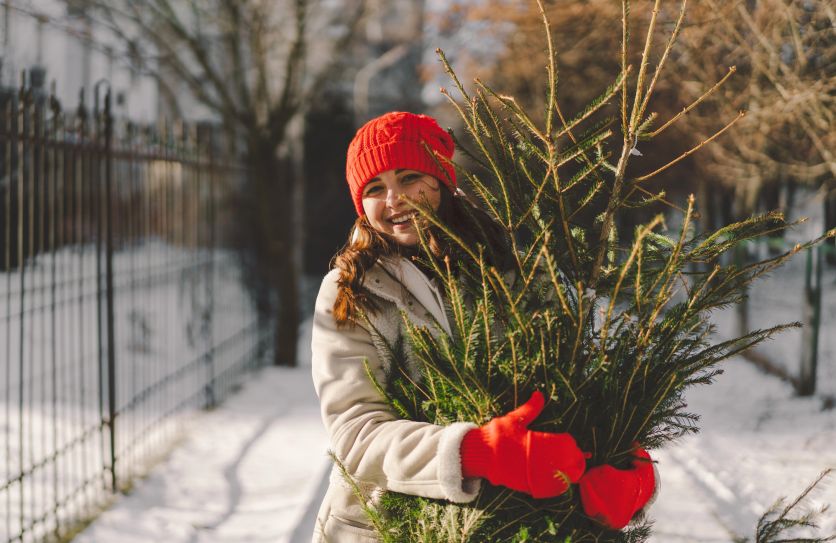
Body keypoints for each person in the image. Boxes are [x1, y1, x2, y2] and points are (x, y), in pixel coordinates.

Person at [310, 111, 655, 542]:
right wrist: (477, 452)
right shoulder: (352, 291)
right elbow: (356, 434)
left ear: (441, 179)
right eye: (375, 188)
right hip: (389, 527)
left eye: (409, 177)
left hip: (528, 522)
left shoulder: (511, 268)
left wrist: (626, 463)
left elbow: (579, 380)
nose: (394, 199)